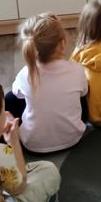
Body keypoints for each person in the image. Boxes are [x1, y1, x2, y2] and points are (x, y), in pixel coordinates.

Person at [7, 14, 88, 153]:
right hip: (73, 138)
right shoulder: (77, 70)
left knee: (10, 97)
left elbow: (17, 93)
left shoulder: (25, 74)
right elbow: (84, 92)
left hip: (33, 145)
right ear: (62, 43)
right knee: (82, 94)